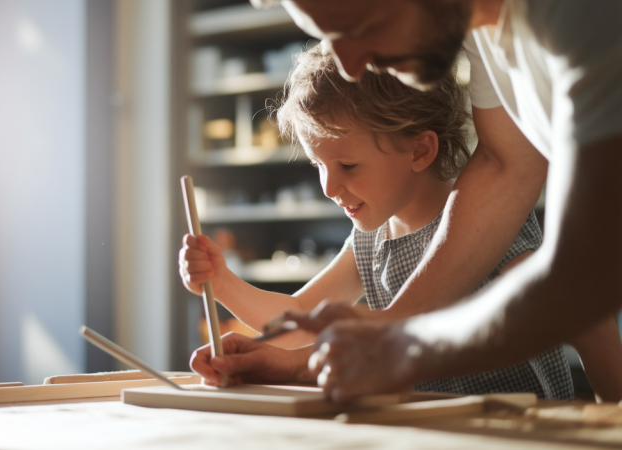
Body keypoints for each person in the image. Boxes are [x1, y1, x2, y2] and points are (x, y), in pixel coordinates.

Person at [188, 0, 622, 403]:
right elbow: (505, 164)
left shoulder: (583, 22)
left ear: (420, 150)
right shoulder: (486, 37)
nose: (353, 63)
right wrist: (232, 295)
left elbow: (578, 288)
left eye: (358, 26)